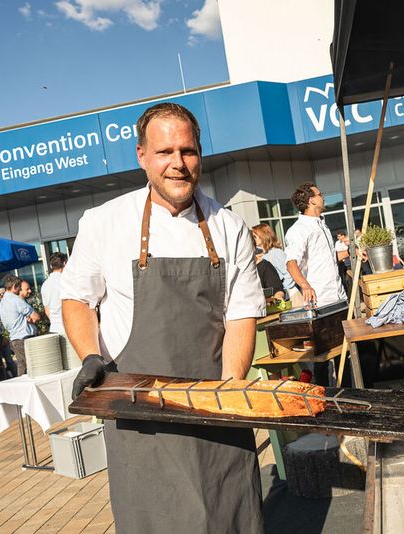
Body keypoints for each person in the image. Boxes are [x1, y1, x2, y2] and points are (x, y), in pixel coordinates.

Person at [61, 102, 265, 532]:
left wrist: (229, 393)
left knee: (228, 519)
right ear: (141, 156)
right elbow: (78, 299)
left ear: (200, 154)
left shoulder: (228, 227)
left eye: (188, 151)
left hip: (214, 412)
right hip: (140, 417)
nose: (178, 164)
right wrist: (88, 356)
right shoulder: (104, 222)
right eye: (165, 152)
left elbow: (241, 315)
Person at [284, 182, 347, 307]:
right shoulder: (298, 230)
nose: (323, 197)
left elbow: (329, 258)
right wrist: (305, 286)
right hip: (321, 299)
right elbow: (291, 263)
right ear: (311, 200)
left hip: (340, 295)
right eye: (320, 194)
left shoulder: (322, 225)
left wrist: (350, 253)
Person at [0, 275, 40, 376]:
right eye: (18, 287)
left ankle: (22, 388)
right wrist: (31, 319)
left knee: (23, 365)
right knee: (29, 367)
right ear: (14, 287)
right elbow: (36, 316)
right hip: (24, 337)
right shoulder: (16, 300)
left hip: (14, 338)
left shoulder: (2, 302)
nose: (19, 289)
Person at [251, 223, 300, 305]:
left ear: (263, 236)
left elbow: (289, 273)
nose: (253, 239)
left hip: (291, 295)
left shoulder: (276, 253)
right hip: (279, 296)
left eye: (255, 236)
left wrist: (282, 289)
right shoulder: (263, 255)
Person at [41, 252, 67, 334]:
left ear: (51, 266)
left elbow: (47, 310)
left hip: (54, 328)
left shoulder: (45, 284)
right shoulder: (67, 281)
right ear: (64, 263)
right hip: (69, 327)